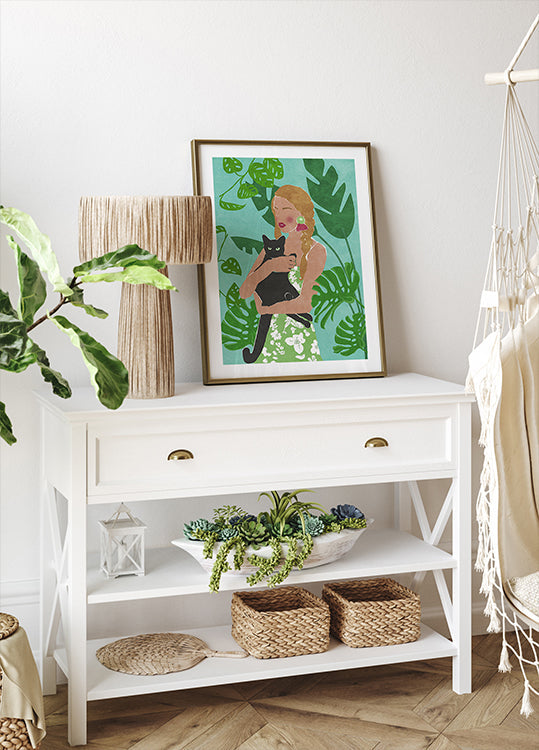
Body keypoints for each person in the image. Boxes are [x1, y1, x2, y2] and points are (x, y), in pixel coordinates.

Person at [239, 185, 326, 363]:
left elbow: (306, 304)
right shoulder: (271, 248)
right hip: (269, 338)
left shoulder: (315, 251)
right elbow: (245, 292)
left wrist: (267, 309)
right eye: (275, 210)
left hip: (298, 337)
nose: (278, 216)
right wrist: (269, 266)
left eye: (285, 209)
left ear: (301, 213)